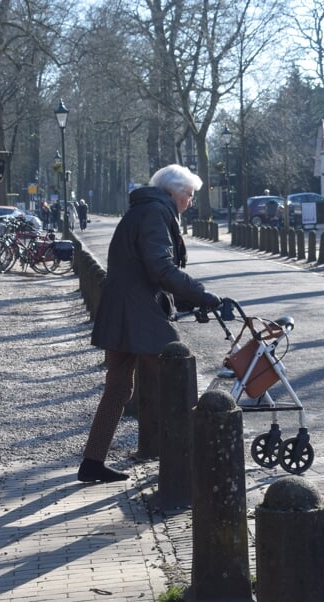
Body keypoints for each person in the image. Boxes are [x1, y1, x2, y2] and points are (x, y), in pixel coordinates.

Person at [78, 164, 221, 483]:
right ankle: (193, 465)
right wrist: (201, 295)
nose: (190, 202)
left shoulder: (143, 210)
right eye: (189, 195)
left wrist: (185, 298)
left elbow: (149, 268)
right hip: (139, 312)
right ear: (173, 192)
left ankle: (93, 460)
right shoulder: (156, 213)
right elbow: (160, 267)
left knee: (118, 387)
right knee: (177, 379)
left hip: (122, 308)